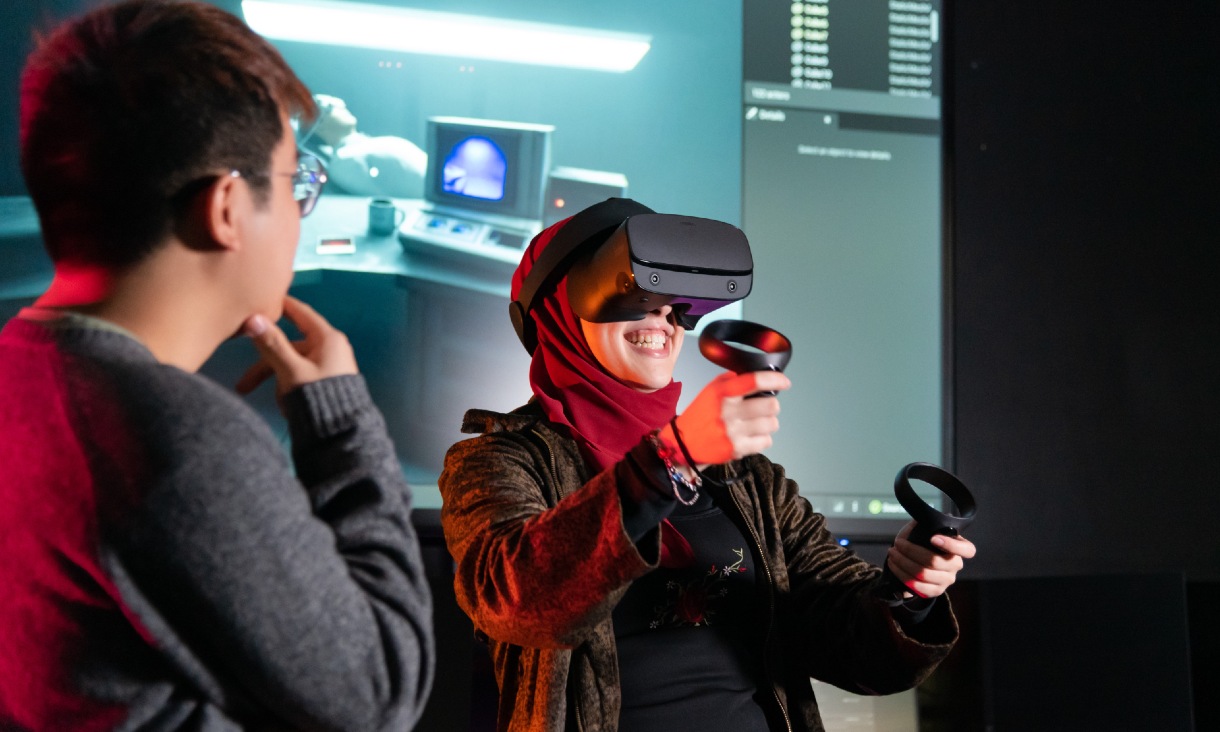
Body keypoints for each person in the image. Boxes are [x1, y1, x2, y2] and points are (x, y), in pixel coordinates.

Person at [0, 1, 433, 729]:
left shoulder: (23, 373)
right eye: (298, 185)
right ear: (228, 207)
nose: (302, 217)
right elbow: (379, 691)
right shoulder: (175, 439)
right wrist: (343, 426)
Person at [439, 198, 977, 731]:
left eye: (675, 307)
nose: (664, 321)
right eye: (636, 298)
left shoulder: (748, 479)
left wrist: (908, 593)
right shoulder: (497, 461)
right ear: (557, 312)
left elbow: (852, 648)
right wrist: (670, 458)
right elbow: (517, 600)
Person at [299, 93, 428, 198]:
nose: (342, 106)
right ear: (320, 127)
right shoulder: (345, 162)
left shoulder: (365, 147)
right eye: (331, 107)